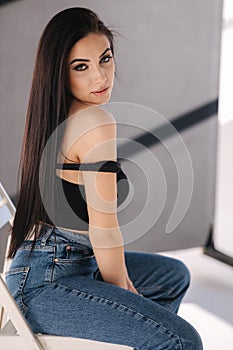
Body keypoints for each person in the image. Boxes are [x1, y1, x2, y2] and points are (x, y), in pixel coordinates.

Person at [6, 7, 203, 349]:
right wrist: (121, 289)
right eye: (81, 67)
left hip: (58, 263)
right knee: (182, 340)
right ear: (59, 73)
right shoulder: (95, 123)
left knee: (172, 277)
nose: (101, 78)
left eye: (105, 59)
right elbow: (104, 227)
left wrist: (126, 293)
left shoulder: (59, 111)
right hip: (45, 283)